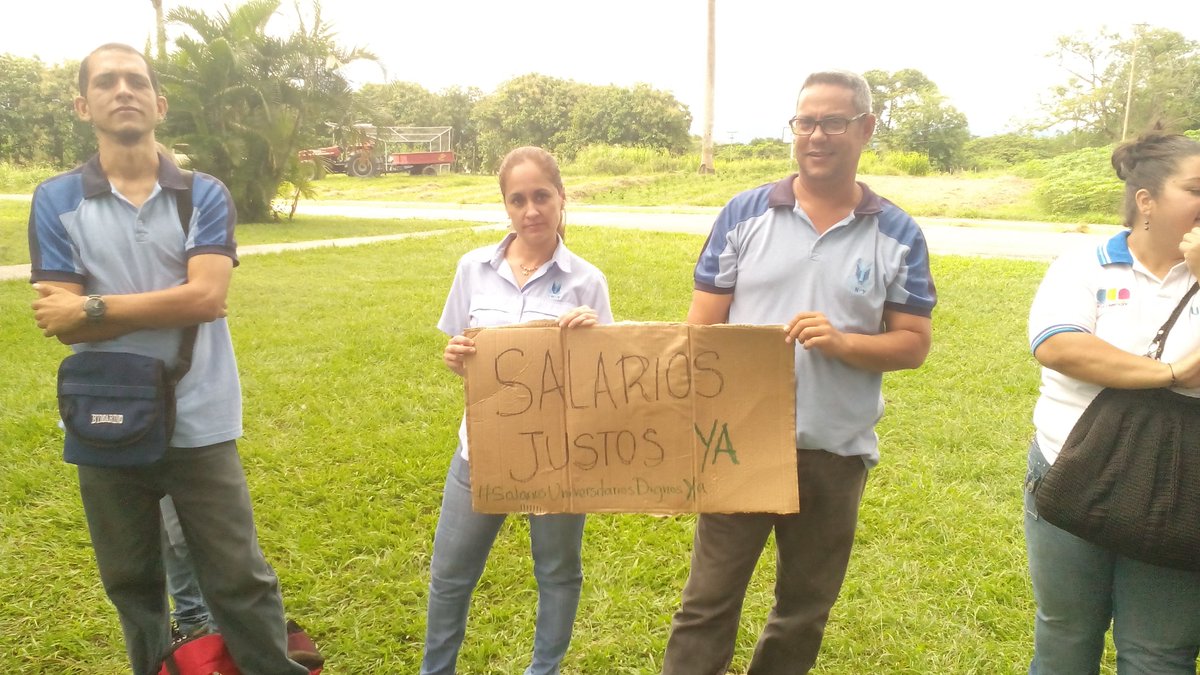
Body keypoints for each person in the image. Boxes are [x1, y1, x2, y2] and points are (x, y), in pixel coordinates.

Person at [28, 43, 308, 674]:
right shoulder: (55, 200)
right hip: (104, 419)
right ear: (83, 104)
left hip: (199, 416)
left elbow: (206, 298)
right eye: (106, 82)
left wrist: (94, 309)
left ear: (159, 102)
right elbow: (57, 319)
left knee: (240, 577)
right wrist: (165, 302)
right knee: (132, 581)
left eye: (136, 81)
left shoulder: (201, 194)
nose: (122, 90)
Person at [660, 70, 937, 675]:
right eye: (805, 121)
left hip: (834, 451)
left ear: (865, 128)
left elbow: (914, 344)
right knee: (707, 603)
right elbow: (700, 331)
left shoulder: (897, 233)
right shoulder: (743, 213)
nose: (817, 135)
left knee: (805, 609)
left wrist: (843, 343)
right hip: (740, 444)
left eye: (834, 122)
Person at [421, 146, 613, 675]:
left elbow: (601, 381)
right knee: (451, 575)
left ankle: (543, 671)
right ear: (506, 206)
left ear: (561, 198)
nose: (531, 210)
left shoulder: (586, 281)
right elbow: (462, 351)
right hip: (479, 449)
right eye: (518, 199)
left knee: (556, 572)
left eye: (541, 196)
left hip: (557, 456)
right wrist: (457, 357)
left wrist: (590, 341)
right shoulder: (473, 269)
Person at [1024, 131, 1200, 673]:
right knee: (1066, 633)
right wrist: (1170, 373)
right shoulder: (1087, 265)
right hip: (1071, 467)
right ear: (1146, 200)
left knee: (1160, 652)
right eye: (1195, 188)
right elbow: (1058, 346)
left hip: (1182, 481)